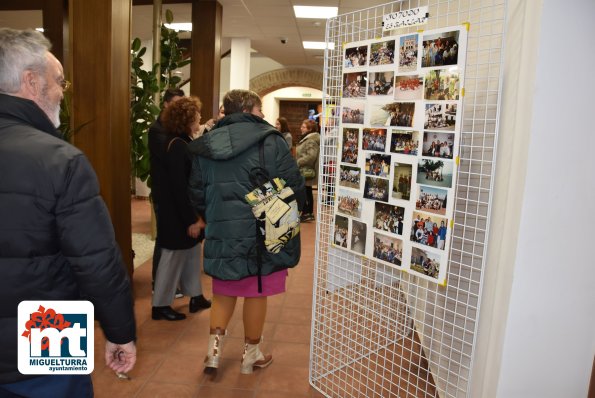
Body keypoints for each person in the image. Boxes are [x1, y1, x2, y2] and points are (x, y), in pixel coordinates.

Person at [0, 28, 136, 395]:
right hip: (48, 328)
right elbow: (96, 261)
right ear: (31, 82)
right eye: (59, 81)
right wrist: (120, 333)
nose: (63, 91)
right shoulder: (60, 160)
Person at [188, 89, 305, 376]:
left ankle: (213, 354)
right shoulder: (272, 142)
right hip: (262, 230)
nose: (263, 114)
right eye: (260, 108)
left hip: (222, 229)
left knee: (224, 290)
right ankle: (250, 356)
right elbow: (294, 185)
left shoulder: (206, 144)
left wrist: (215, 215)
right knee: (256, 291)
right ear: (249, 109)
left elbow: (195, 193)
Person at [151, 96, 211, 321]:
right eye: (197, 116)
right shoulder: (177, 145)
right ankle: (160, 305)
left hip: (178, 211)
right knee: (172, 258)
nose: (200, 119)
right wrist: (192, 220)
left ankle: (196, 296)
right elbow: (179, 188)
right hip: (175, 213)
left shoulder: (179, 140)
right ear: (187, 119)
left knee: (191, 253)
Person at [148, 87, 185, 298]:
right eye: (177, 105)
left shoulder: (174, 128)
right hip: (164, 193)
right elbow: (170, 156)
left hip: (175, 193)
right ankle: (158, 284)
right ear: (166, 104)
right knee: (164, 240)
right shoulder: (157, 130)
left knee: (174, 240)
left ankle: (171, 283)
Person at [296, 118, 320, 222]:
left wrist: (298, 162)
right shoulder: (308, 139)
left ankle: (307, 213)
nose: (301, 128)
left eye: (303, 127)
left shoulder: (310, 140)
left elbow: (311, 156)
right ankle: (307, 213)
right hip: (305, 169)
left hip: (306, 170)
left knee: (306, 191)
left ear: (309, 129)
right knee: (307, 191)